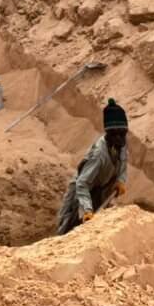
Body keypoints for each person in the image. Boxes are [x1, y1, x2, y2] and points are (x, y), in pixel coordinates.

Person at [56, 98, 129, 235]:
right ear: (108, 134)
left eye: (122, 133)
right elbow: (82, 184)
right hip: (83, 192)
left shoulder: (122, 142)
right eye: (115, 134)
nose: (120, 138)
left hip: (101, 188)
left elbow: (123, 161)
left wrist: (121, 180)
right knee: (69, 228)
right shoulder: (98, 155)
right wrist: (87, 210)